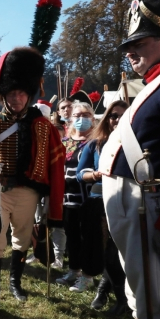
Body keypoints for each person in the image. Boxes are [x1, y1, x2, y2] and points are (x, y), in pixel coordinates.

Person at [100, 0, 160, 319]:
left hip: (153, 213)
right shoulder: (158, 82)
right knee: (140, 297)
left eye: (141, 42)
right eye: (129, 45)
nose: (131, 52)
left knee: (159, 304)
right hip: (136, 210)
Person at [0, 47, 65, 304]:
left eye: (21, 93)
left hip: (28, 191)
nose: (16, 98)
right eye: (11, 93)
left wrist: (51, 198)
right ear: (3, 96)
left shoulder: (43, 125)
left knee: (22, 237)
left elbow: (54, 164)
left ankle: (15, 282)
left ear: (28, 95)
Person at [76, 100, 129, 313]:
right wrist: (95, 174)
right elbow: (81, 173)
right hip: (99, 204)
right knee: (106, 252)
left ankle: (112, 294)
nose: (116, 120)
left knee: (120, 252)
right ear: (106, 118)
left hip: (128, 203)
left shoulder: (137, 141)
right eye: (113, 116)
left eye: (121, 116)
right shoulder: (95, 144)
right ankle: (114, 296)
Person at [56, 101, 96, 292]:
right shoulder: (65, 141)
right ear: (71, 118)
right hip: (66, 197)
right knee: (71, 235)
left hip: (88, 198)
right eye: (77, 116)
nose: (81, 120)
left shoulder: (96, 142)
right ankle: (74, 270)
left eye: (85, 116)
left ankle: (88, 277)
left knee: (88, 237)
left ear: (92, 118)